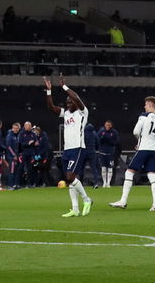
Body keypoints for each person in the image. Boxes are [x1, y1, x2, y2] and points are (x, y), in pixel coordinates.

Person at [44, 75, 93, 217]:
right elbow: (51, 107)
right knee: (69, 180)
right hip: (67, 149)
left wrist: (64, 87)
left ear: (76, 103)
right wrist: (49, 91)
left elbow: (76, 98)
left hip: (78, 148)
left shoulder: (82, 112)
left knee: (70, 177)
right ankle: (75, 209)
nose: (67, 104)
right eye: (66, 102)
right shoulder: (65, 114)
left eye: (69, 102)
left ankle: (87, 199)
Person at [109, 95, 155, 211]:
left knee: (129, 172)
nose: (144, 107)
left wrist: (141, 140)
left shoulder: (144, 116)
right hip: (154, 150)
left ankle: (123, 201)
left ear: (149, 105)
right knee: (152, 175)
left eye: (145, 105)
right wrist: (150, 141)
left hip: (143, 148)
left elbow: (135, 131)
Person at [97, 120, 119, 188]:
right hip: (102, 153)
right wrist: (102, 139)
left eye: (109, 125)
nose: (107, 126)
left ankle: (108, 183)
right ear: (104, 125)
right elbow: (97, 141)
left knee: (110, 168)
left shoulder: (114, 132)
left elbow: (117, 142)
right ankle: (104, 182)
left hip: (110, 153)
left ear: (111, 125)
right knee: (103, 168)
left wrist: (110, 141)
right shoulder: (101, 131)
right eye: (106, 125)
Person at [4, 121, 21, 190]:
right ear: (12, 128)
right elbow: (8, 146)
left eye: (17, 128)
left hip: (16, 156)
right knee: (12, 171)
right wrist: (14, 155)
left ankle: (14, 185)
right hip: (11, 157)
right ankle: (10, 185)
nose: (16, 129)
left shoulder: (16, 135)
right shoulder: (9, 135)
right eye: (15, 128)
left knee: (15, 171)